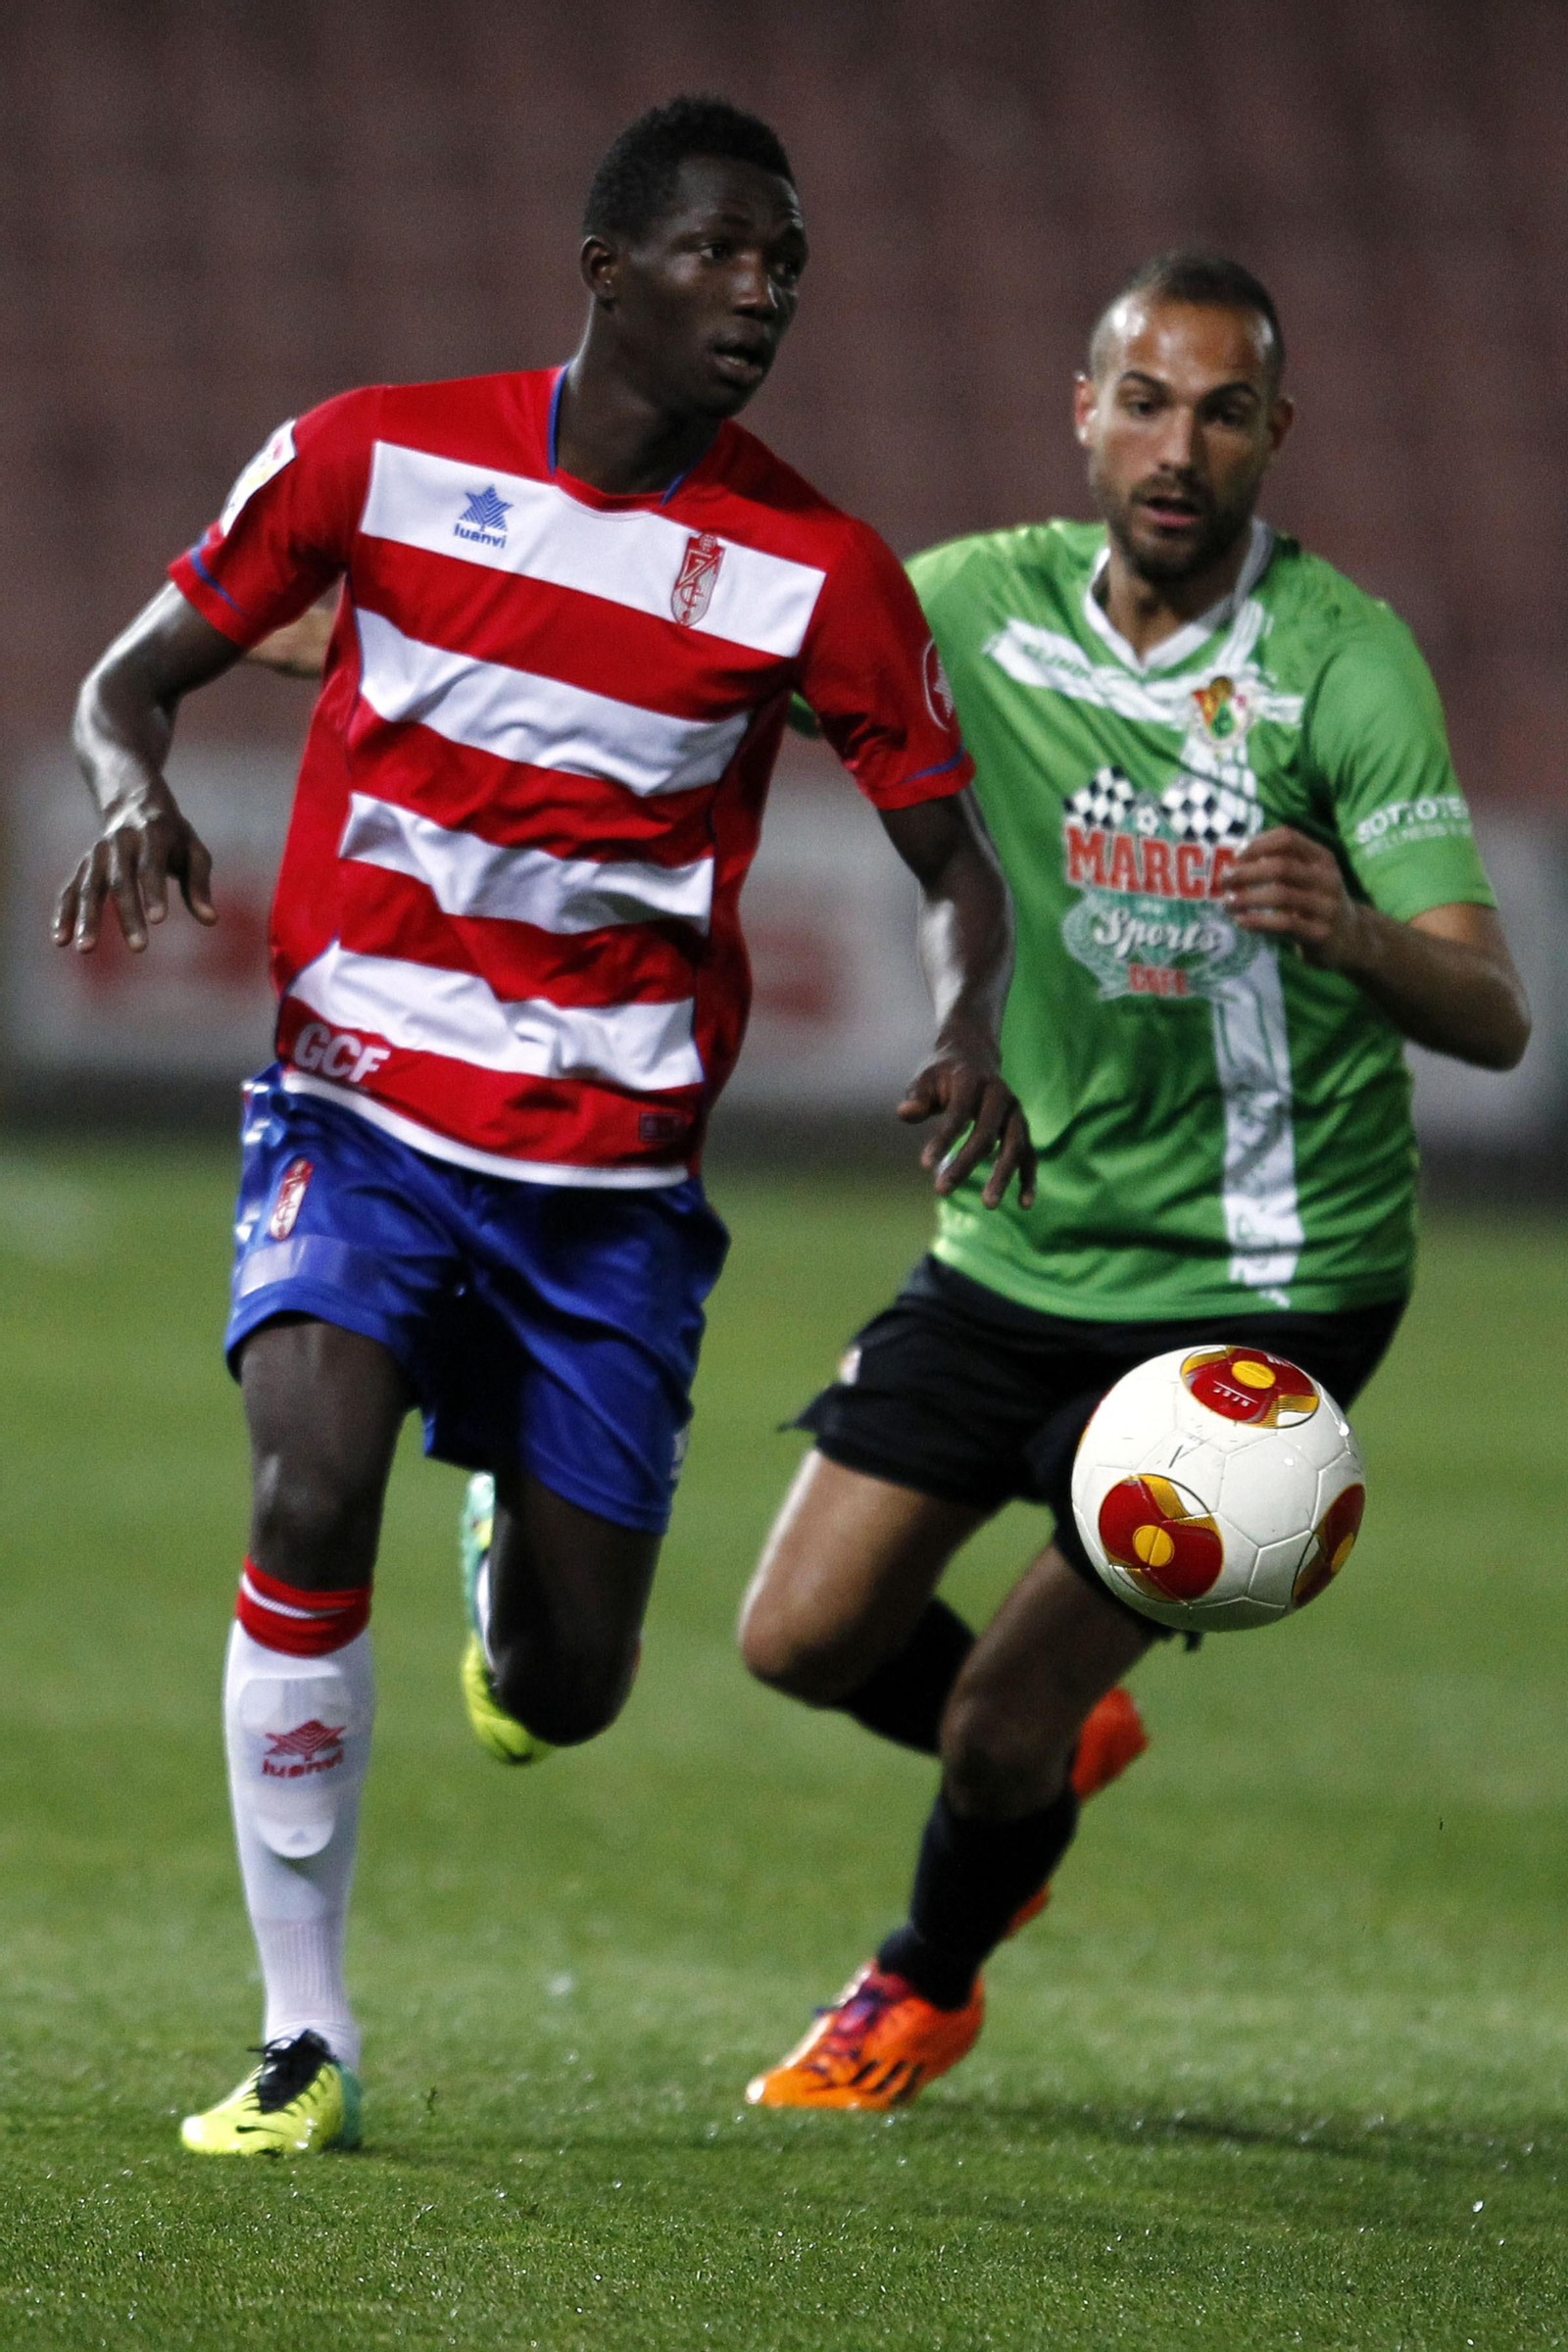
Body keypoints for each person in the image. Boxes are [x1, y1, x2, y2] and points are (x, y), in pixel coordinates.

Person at [57, 95, 1036, 2156]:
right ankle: (300, 2034)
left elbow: (955, 869)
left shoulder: (814, 568)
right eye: (716, 252)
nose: (758, 292)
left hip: (603, 1191)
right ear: (606, 268)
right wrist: (132, 783)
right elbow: (128, 681)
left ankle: (514, 1521)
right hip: (360, 1103)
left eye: (784, 264)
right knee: (309, 1488)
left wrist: (966, 1030)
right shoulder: (370, 455)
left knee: (575, 1693)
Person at [738, 250, 1531, 2110]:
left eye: (1226, 410)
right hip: (1024, 1234)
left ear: (1276, 437)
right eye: (1147, 401)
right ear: (1083, 410)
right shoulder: (971, 606)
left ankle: (920, 1984)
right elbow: (708, 676)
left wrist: (1350, 925)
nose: (1181, 447)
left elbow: (1491, 1011)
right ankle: (1039, 1752)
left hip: (1266, 1287)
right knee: (797, 1638)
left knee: (1000, 1714)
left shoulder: (1343, 661)